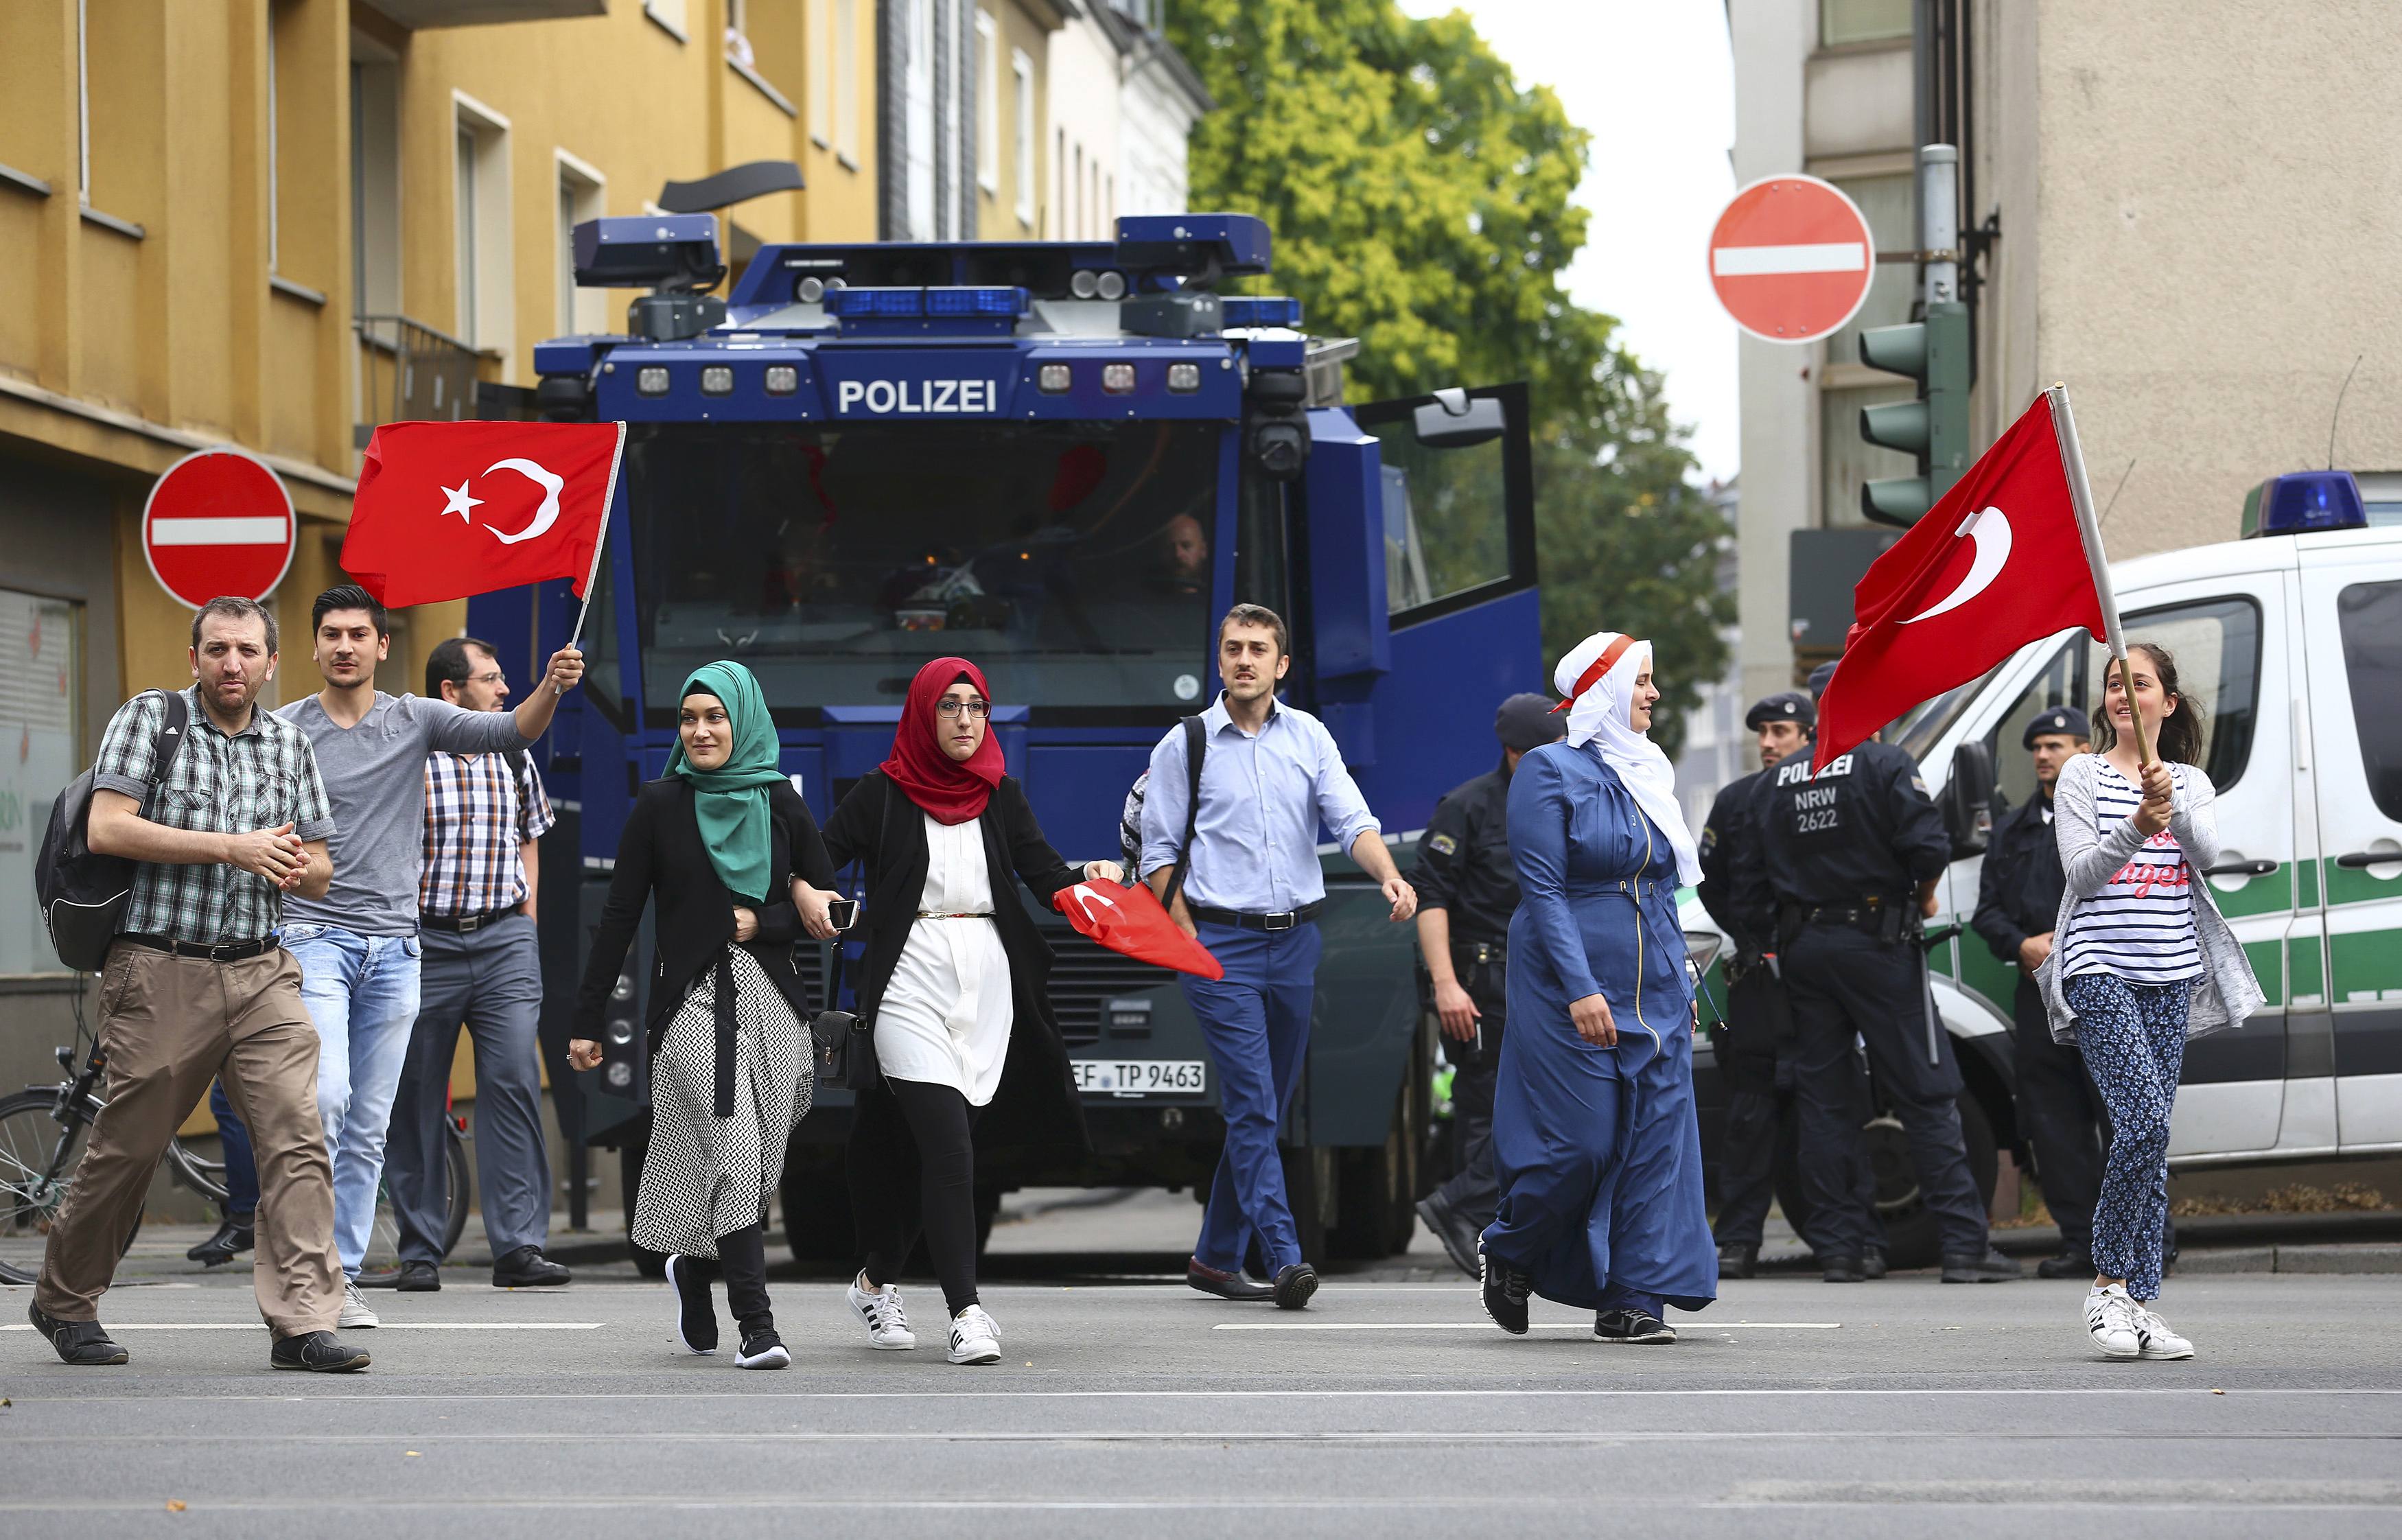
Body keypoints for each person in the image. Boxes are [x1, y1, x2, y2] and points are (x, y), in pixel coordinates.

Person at [29, 597, 366, 1373]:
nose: (232, 664)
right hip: (160, 966)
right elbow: (108, 827)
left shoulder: (288, 744)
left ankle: (302, 1323)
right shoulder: (152, 719)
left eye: (248, 651)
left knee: (297, 1133)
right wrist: (231, 848)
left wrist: (292, 864)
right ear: (195, 659)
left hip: (261, 969)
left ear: (272, 663)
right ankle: (64, 1301)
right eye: (217, 650)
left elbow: (320, 867)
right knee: (130, 1149)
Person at [276, 585, 583, 1329]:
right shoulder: (282, 730)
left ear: (384, 648)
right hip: (314, 938)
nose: (345, 645)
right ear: (314, 648)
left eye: (359, 634)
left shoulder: (414, 719)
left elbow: (513, 730)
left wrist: (550, 685)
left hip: (397, 950)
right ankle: (313, 1260)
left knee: (372, 1121)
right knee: (327, 1099)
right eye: (332, 634)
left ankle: (339, 1278)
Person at [821, 657, 1120, 1365]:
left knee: (925, 1155)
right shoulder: (880, 794)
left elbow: (1044, 876)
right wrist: (826, 907)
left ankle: (873, 1281)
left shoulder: (1000, 794)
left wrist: (1088, 878)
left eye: (975, 707)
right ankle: (967, 1314)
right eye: (949, 705)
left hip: (986, 989)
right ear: (924, 713)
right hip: (907, 985)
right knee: (949, 1148)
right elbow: (816, 859)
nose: (963, 719)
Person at [1140, 605, 1417, 1311]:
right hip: (1219, 945)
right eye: (1232, 648)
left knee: (1264, 1107)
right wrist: (1188, 937)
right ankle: (1286, 1255)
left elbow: (1351, 820)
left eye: (1257, 649)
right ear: (1220, 659)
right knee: (1254, 1102)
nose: (1243, 660)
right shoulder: (1187, 743)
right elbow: (1158, 853)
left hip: (1295, 941)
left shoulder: (1309, 738)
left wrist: (1387, 872)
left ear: (1280, 665)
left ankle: (1213, 1259)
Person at [568, 662, 839, 1370]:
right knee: (734, 1148)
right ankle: (758, 1324)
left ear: (742, 720)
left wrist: (763, 922)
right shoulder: (659, 804)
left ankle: (692, 1264)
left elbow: (825, 906)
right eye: (689, 719)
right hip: (692, 1002)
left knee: (759, 1160)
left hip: (775, 1003)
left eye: (714, 717)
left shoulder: (781, 800)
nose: (699, 731)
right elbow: (620, 917)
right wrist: (587, 1020)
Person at [1738, 660, 2020, 1285]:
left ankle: (1844, 1250)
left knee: (1824, 1103)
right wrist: (1921, 897)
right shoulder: (1886, 764)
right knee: (1926, 1090)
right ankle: (1965, 1249)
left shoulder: (1774, 783)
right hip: (1878, 945)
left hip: (1805, 950)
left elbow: (1748, 876)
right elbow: (1928, 847)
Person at [1478, 631, 1716, 1344]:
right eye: (1641, 681)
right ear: (1606, 690)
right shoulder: (1547, 770)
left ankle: (1632, 1297)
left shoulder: (1649, 770)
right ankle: (1511, 1247)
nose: (1652, 694)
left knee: (1654, 1144)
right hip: (1567, 986)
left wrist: (1682, 976)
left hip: (1655, 984)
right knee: (1581, 1144)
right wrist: (1580, 987)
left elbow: (1663, 889)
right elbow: (1543, 891)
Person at [2046, 646, 2261, 1360]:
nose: (2120, 694)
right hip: (2097, 967)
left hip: (2169, 974)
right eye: (2112, 684)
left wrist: (2167, 803)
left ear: (2166, 703)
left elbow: (2205, 855)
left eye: (2135, 683)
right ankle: (2106, 1285)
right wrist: (2137, 821)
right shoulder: (2080, 774)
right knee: (2139, 1121)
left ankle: (2139, 1303)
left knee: (2154, 1134)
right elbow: (2080, 871)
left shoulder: (2188, 780)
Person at [382, 637, 569, 1292]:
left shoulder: (512, 754)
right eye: (490, 680)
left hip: (504, 944)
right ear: (450, 693)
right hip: (424, 945)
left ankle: (519, 1247)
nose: (502, 691)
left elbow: (529, 838)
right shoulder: (408, 757)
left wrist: (529, 921)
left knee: (514, 1079)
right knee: (415, 1095)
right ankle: (420, 1250)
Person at [1696, 690, 1880, 1281]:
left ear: (1808, 735)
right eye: (1763, 733)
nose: (1770, 743)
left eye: (1782, 731)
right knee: (1751, 1114)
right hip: (1758, 981)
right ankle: (1738, 1243)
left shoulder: (1831, 792)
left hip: (1819, 975)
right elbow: (1711, 886)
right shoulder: (1735, 801)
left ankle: (1849, 1242)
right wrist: (1752, 942)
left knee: (1830, 1111)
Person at [1409, 692, 1564, 1277]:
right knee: (1485, 1107)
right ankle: (1474, 1221)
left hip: (1543, 976)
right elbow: (1432, 896)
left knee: (1544, 1108)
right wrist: (1447, 985)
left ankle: (1477, 1215)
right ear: (1512, 752)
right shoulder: (1469, 806)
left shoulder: (1563, 798)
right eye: (1540, 753)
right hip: (1484, 977)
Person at [1972, 705, 2106, 1281]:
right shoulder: (2011, 828)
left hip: (2106, 981)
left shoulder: (2108, 813)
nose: (2044, 755)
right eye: (2038, 747)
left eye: (2057, 745)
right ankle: (2081, 1242)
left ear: (2084, 750)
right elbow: (1987, 912)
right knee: (2054, 1123)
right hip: (2040, 991)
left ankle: (2153, 1238)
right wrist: (2021, 943)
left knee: (2124, 1115)